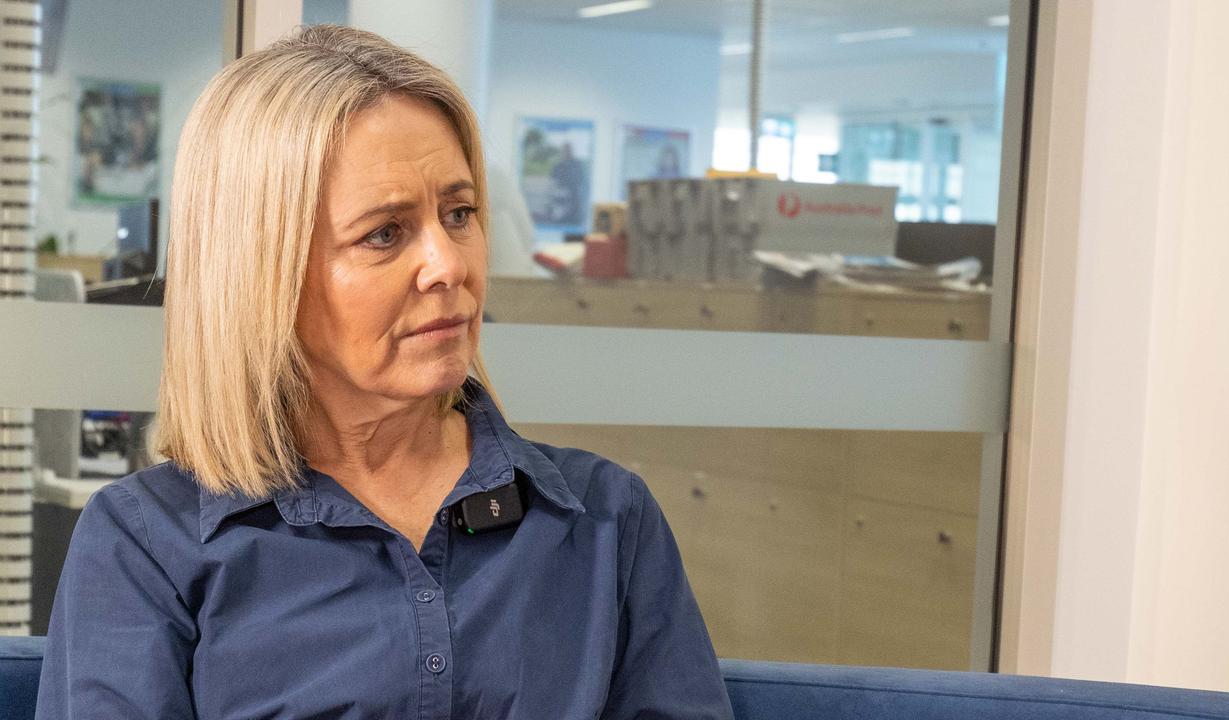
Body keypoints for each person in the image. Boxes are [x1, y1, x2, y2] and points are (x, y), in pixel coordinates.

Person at [35, 24, 733, 719]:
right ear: (261, 273)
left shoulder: (606, 519)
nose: (451, 265)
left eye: (459, 213)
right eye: (385, 233)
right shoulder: (146, 544)